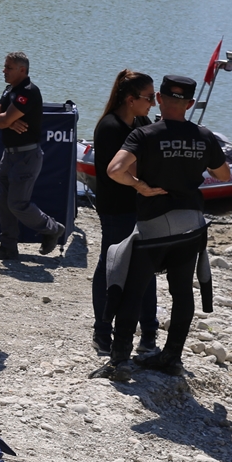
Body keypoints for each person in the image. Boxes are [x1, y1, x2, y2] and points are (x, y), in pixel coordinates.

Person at [91, 75, 230, 381]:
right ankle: (171, 357)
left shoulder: (145, 135)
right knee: (182, 292)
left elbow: (114, 170)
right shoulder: (204, 135)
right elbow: (224, 175)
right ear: (190, 104)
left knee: (132, 288)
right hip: (191, 226)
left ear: (161, 100)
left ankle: (120, 361)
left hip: (154, 226)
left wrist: (139, 185)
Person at [89, 70, 158, 355]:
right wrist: (142, 184)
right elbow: (124, 171)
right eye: (149, 98)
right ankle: (103, 331)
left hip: (142, 206)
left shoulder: (141, 121)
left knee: (147, 269)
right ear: (131, 100)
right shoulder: (109, 127)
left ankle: (149, 334)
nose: (153, 103)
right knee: (112, 266)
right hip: (117, 208)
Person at [0, 52, 65, 260]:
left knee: (17, 204)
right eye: (4, 66)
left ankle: (52, 228)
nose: (4, 70)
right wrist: (6, 119)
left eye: (8, 67)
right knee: (4, 203)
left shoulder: (28, 92)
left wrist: (5, 120)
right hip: (8, 155)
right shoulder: (9, 90)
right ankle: (8, 246)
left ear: (22, 70)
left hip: (26, 156)